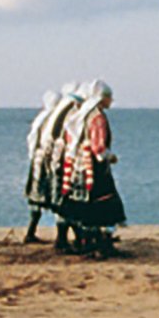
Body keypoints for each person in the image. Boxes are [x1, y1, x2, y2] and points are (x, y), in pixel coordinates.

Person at [57, 79, 125, 257]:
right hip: (95, 168)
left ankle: (87, 242)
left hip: (79, 166)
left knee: (86, 206)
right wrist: (111, 157)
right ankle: (102, 245)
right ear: (102, 98)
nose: (111, 101)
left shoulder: (82, 116)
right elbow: (99, 148)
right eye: (109, 98)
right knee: (105, 205)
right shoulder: (97, 118)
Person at [22, 84, 80, 245]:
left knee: (38, 198)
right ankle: (63, 238)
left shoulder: (45, 117)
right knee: (61, 198)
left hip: (39, 160)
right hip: (53, 162)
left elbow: (32, 139)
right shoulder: (66, 115)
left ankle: (32, 231)